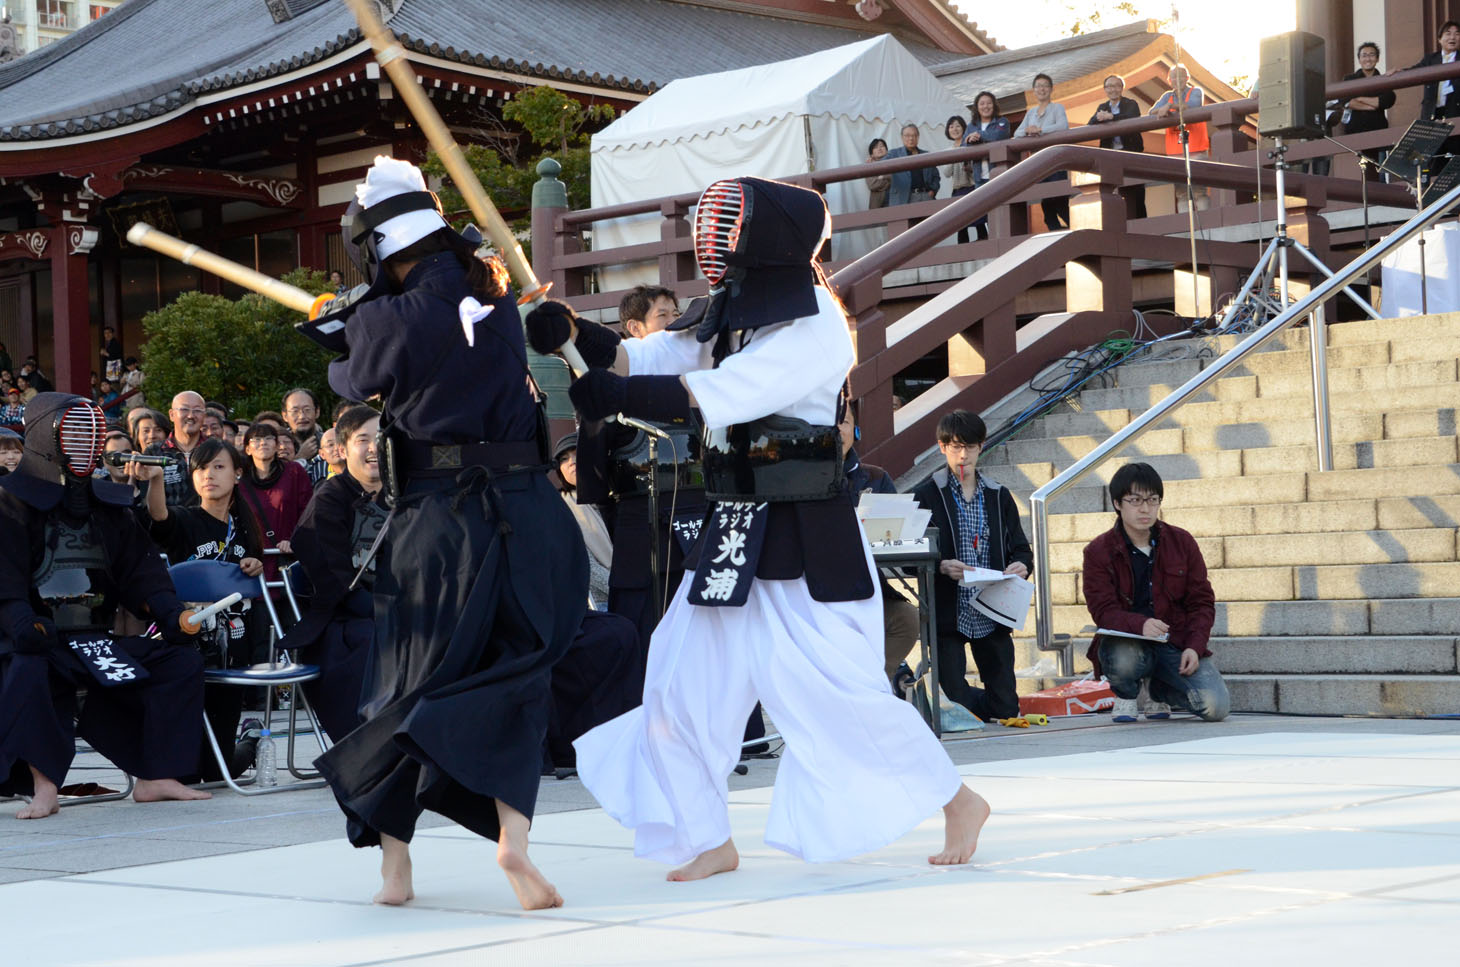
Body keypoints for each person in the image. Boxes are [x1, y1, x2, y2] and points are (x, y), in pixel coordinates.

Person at [532, 175, 989, 881]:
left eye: (728, 229)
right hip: (735, 525)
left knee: (827, 691)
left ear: (766, 241)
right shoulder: (736, 313)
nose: (712, 243)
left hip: (803, 529)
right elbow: (654, 356)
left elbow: (721, 393)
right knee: (678, 681)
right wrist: (576, 334)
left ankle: (956, 799)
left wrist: (617, 394)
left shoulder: (815, 324)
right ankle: (707, 834)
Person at [313, 156, 586, 910]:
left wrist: (338, 328)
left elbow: (351, 380)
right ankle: (514, 838)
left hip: (440, 523)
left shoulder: (386, 317)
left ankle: (395, 868)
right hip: (529, 510)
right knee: (520, 668)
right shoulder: (493, 292)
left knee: (404, 681)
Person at [0, 393, 211, 819]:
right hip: (33, 637)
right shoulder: (8, 502)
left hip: (94, 639)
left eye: (89, 436)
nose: (84, 444)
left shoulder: (109, 507)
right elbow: (5, 581)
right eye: (73, 434)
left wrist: (171, 613)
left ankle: (155, 774)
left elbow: (141, 572)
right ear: (44, 437)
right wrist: (22, 621)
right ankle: (45, 784)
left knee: (181, 663)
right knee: (29, 669)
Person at [139, 437, 268, 780]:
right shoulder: (187, 519)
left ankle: (250, 740)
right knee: (186, 772)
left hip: (234, 648)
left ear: (238, 473)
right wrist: (155, 480)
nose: (208, 475)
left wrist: (254, 563)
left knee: (215, 773)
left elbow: (253, 566)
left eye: (218, 467)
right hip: (190, 649)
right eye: (200, 468)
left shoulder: (245, 526)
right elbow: (159, 517)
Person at [1081, 462, 1229, 722]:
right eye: (1135, 500)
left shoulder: (1181, 542)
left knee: (1215, 706)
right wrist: (1140, 625)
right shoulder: (1099, 551)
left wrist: (1194, 646)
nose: (1145, 508)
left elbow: (1201, 602)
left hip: (1174, 640)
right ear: (1117, 504)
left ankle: (1158, 690)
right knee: (1123, 657)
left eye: (1152, 499)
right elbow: (1103, 611)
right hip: (1128, 642)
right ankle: (1126, 693)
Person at [911, 411, 1033, 723]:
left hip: (992, 608)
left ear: (981, 446)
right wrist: (940, 565)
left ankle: (963, 701)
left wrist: (1021, 565)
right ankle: (939, 692)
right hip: (949, 610)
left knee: (1006, 709)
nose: (963, 455)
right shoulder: (925, 495)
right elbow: (912, 553)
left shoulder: (998, 495)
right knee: (955, 704)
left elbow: (1021, 548)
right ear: (942, 447)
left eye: (970, 446)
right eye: (955, 447)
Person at [276, 405, 385, 744]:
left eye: (381, 438)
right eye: (363, 439)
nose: (373, 448)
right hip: (343, 618)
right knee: (377, 642)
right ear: (342, 449)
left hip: (397, 607)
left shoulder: (404, 496)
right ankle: (371, 749)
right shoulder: (330, 498)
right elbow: (332, 577)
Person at [838, 406, 919, 682]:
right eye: (830, 423)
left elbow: (900, 535)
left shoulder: (875, 477)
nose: (838, 430)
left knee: (907, 618)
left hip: (868, 590)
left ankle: (873, 684)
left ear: (856, 430)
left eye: (844, 422)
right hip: (818, 594)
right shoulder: (802, 480)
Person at [554, 433, 613, 607]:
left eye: (577, 454)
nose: (571, 462)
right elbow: (588, 567)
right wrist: (623, 589)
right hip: (598, 602)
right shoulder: (562, 507)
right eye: (564, 459)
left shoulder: (618, 497)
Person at [1014, 73, 1070, 230]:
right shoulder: (1031, 112)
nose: (1041, 89)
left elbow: (1063, 126)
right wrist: (1028, 130)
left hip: (1056, 161)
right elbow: (1017, 133)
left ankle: (1081, 232)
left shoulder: (1057, 108)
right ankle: (1058, 235)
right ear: (1034, 90)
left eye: (1045, 85)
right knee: (1047, 208)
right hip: (1038, 163)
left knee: (1060, 203)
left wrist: (1040, 130)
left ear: (1051, 89)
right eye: (1038, 86)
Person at [1149, 66, 1209, 211]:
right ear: (1169, 80)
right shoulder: (1167, 96)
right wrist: (1166, 107)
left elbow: (1193, 105)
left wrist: (1169, 106)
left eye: (1181, 76)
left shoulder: (1195, 91)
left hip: (1196, 148)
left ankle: (1206, 222)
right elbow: (1151, 112)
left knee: (1199, 191)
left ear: (1187, 78)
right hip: (1175, 151)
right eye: (1174, 77)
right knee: (1181, 193)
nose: (1177, 80)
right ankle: (1185, 223)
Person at [1088, 74, 1147, 220]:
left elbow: (1132, 117)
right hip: (1110, 155)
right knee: (1111, 191)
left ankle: (1140, 223)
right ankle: (1116, 222)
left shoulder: (1131, 103)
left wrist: (1112, 117)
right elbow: (1090, 124)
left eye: (1116, 86)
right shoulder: (1102, 107)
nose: (1113, 89)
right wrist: (1098, 118)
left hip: (1131, 153)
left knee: (1136, 191)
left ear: (1121, 88)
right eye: (1109, 86)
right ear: (1105, 89)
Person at [1337, 42, 1394, 178]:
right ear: (1359, 59)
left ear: (1377, 59)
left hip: (1377, 130)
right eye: (1364, 55)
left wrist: (1360, 98)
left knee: (1378, 172)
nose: (1368, 58)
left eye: (1372, 55)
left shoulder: (1383, 79)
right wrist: (1372, 105)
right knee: (1357, 173)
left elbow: (1387, 100)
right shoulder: (1349, 79)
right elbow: (1345, 101)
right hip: (1355, 130)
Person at [963, 92, 1010, 241]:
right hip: (979, 176)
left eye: (989, 103)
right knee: (984, 211)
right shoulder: (971, 126)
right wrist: (969, 140)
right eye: (982, 103)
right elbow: (963, 145)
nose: (986, 106)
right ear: (977, 107)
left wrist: (980, 135)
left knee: (1001, 209)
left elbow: (999, 136)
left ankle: (1002, 240)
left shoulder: (1002, 121)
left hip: (998, 173)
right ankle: (992, 241)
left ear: (994, 105)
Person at [146, 390, 206, 506]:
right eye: (184, 409)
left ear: (204, 415)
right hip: (166, 516)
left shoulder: (215, 450)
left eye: (197, 410)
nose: (190, 416)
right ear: (172, 415)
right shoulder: (154, 452)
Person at [885, 123, 941, 206]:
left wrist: (932, 191)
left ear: (918, 137)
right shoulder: (894, 154)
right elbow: (881, 163)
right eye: (907, 136)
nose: (911, 138)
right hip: (904, 198)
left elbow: (936, 176)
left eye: (914, 135)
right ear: (902, 137)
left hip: (926, 195)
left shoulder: (926, 155)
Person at [943, 115, 976, 244]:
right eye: (951, 127)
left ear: (963, 128)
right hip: (957, 189)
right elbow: (946, 173)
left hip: (972, 187)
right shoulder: (948, 150)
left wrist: (969, 167)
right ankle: (963, 251)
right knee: (960, 224)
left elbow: (976, 168)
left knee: (979, 220)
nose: (954, 129)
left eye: (958, 126)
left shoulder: (970, 145)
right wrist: (954, 155)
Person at [282, 388, 323, 460]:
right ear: (285, 416)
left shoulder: (329, 442)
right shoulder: (279, 445)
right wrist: (300, 457)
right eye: (295, 411)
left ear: (317, 412)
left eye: (307, 410)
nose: (302, 416)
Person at [864, 137, 891, 209]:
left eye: (882, 146)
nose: (879, 149)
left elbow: (895, 178)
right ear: (871, 154)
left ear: (887, 150)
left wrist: (882, 177)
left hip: (895, 201)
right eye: (876, 147)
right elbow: (872, 185)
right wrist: (888, 180)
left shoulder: (893, 162)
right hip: (878, 205)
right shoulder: (868, 167)